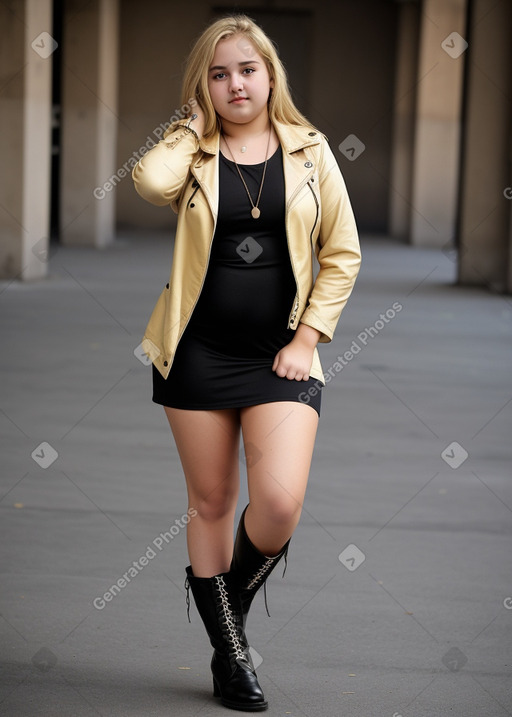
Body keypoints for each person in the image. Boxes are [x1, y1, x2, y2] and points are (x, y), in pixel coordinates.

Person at [132, 13, 361, 712]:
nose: (236, 83)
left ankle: (223, 603)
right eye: (219, 72)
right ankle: (231, 656)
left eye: (248, 69)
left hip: (279, 358)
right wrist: (190, 122)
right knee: (211, 503)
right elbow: (147, 181)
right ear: (204, 84)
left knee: (281, 503)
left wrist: (308, 338)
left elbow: (341, 252)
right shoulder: (193, 152)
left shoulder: (311, 150)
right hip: (196, 353)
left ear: (270, 75)